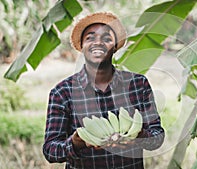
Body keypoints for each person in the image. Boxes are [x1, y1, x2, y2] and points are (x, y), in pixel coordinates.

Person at [42, 12, 165, 169]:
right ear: (82, 46)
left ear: (115, 46)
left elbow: (157, 137)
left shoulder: (138, 84)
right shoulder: (62, 92)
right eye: (90, 38)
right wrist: (75, 143)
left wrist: (138, 135)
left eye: (106, 39)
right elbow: (50, 151)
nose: (98, 43)